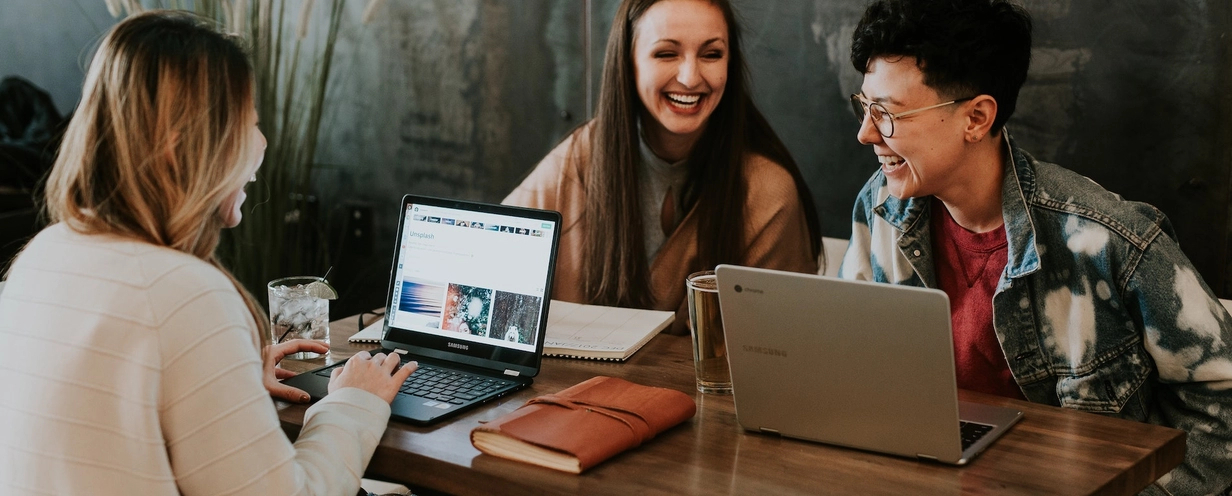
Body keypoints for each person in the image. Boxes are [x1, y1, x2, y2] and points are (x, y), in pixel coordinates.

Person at [0, 11, 416, 495]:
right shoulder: (185, 293)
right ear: (182, 148)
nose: (261, 144)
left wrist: (223, 378)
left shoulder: (42, 255)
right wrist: (352, 403)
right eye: (249, 124)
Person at [837, 1, 1232, 493]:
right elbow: (850, 363)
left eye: (888, 114)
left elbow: (1221, 393)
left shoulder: (1108, 238)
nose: (865, 132)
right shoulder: (879, 208)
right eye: (865, 106)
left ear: (977, 117)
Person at [504, 0, 821, 333]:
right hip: (575, 384)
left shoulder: (768, 191)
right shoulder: (581, 156)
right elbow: (491, 264)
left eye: (711, 54)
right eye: (666, 54)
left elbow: (779, 348)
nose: (689, 77)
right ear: (629, 62)